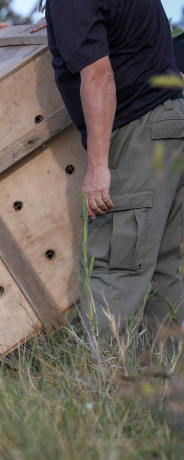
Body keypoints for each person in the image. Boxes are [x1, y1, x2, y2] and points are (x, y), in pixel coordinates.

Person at [39, 0, 184, 341]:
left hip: (137, 133)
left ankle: (105, 385)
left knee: (113, 268)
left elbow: (99, 76)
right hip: (169, 122)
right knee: (162, 268)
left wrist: (99, 167)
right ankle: (170, 386)